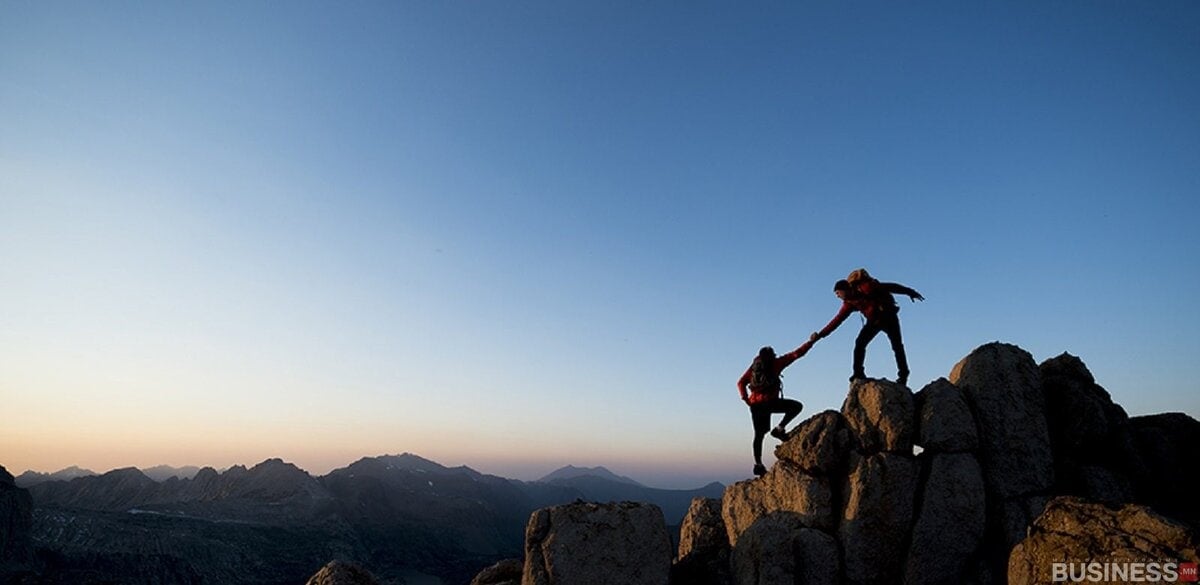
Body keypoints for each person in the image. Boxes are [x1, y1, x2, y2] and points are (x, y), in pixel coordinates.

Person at [810, 269, 924, 386]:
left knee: (897, 346)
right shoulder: (848, 303)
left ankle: (903, 375)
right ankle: (858, 373)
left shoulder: (867, 287)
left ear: (845, 289)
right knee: (860, 343)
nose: (837, 296)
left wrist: (910, 292)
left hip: (889, 317)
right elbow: (836, 321)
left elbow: (891, 287)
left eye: (838, 292)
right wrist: (820, 335)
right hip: (874, 321)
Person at [737, 340, 815, 477]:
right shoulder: (776, 363)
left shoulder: (754, 368)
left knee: (759, 435)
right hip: (771, 403)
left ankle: (758, 465)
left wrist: (746, 399)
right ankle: (779, 429)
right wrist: (811, 341)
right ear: (773, 355)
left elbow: (741, 382)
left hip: (755, 405)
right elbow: (796, 354)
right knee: (796, 407)